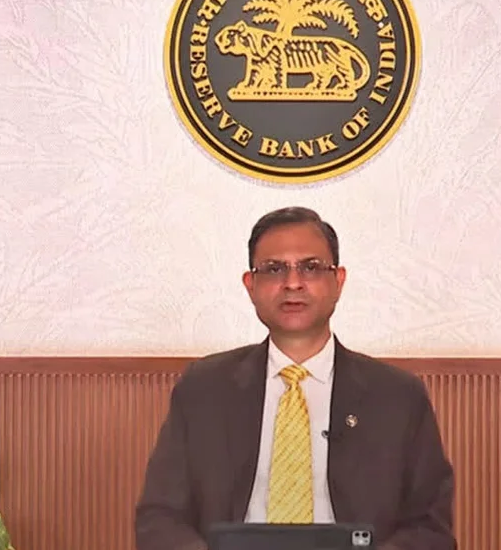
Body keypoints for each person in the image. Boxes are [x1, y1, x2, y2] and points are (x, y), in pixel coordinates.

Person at [134, 207, 456, 550]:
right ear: (251, 285)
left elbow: (431, 528)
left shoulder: (398, 397)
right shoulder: (203, 389)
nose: (292, 283)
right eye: (274, 269)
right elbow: (160, 517)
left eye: (311, 267)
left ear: (338, 281)